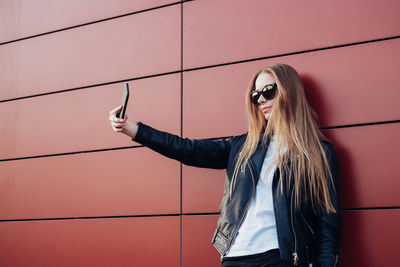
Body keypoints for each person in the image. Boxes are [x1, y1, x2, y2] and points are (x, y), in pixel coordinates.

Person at [109, 63, 340, 267]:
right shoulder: (241, 146)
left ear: (289, 92)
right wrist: (131, 129)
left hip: (282, 258)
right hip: (237, 256)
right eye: (255, 95)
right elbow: (187, 149)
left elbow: (327, 225)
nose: (260, 100)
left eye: (269, 92)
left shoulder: (318, 153)